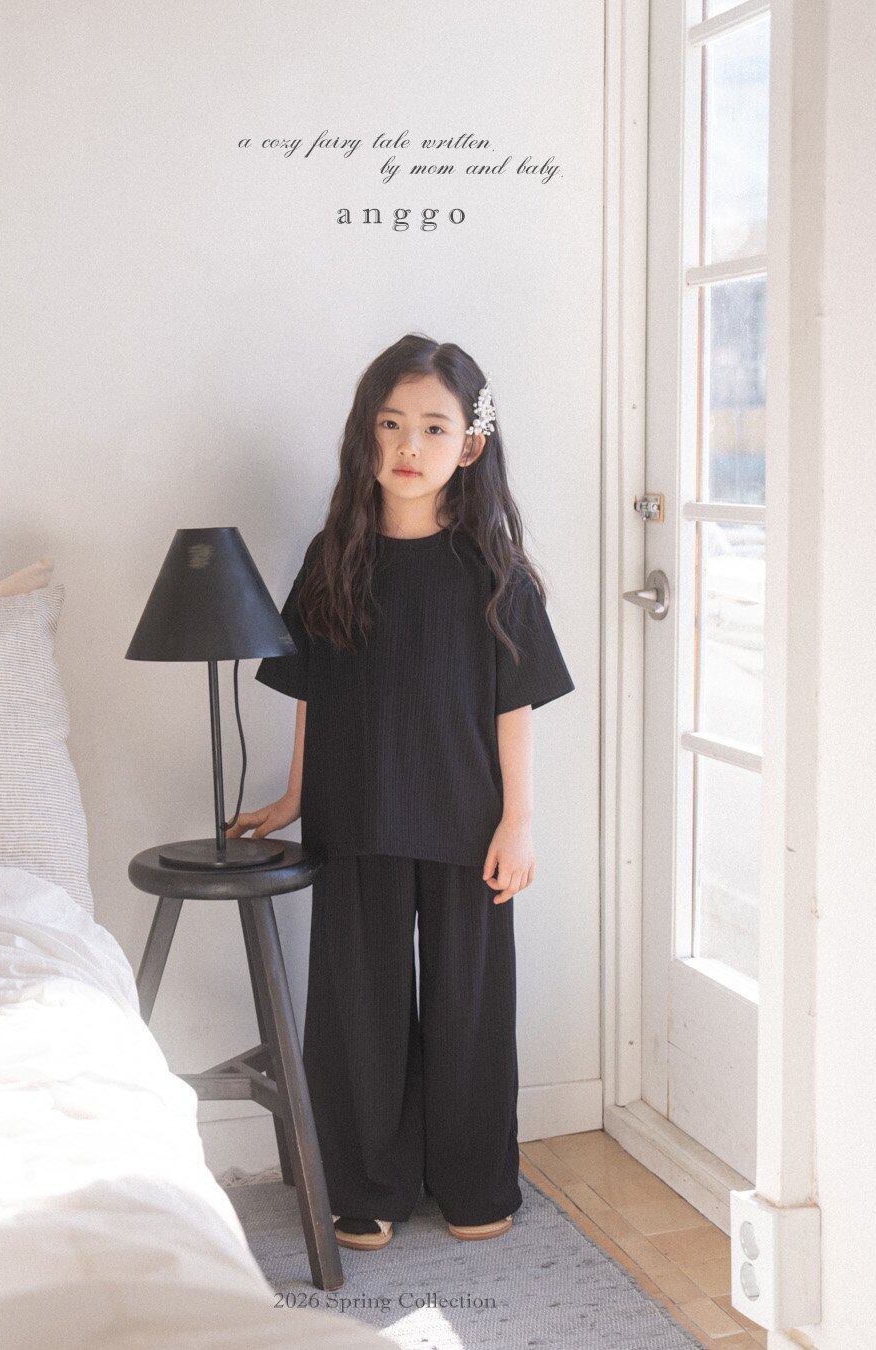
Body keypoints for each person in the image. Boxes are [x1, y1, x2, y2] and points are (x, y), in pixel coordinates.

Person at [226, 333, 575, 1252]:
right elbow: (315, 693)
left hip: (468, 822)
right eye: (390, 425)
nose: (408, 446)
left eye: (432, 427)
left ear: (471, 443)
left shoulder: (493, 570)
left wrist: (519, 821)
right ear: (365, 436)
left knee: (470, 1006)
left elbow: (513, 707)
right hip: (356, 815)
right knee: (359, 1005)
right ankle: (366, 1183)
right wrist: (294, 797)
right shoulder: (333, 557)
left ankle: (473, 1178)